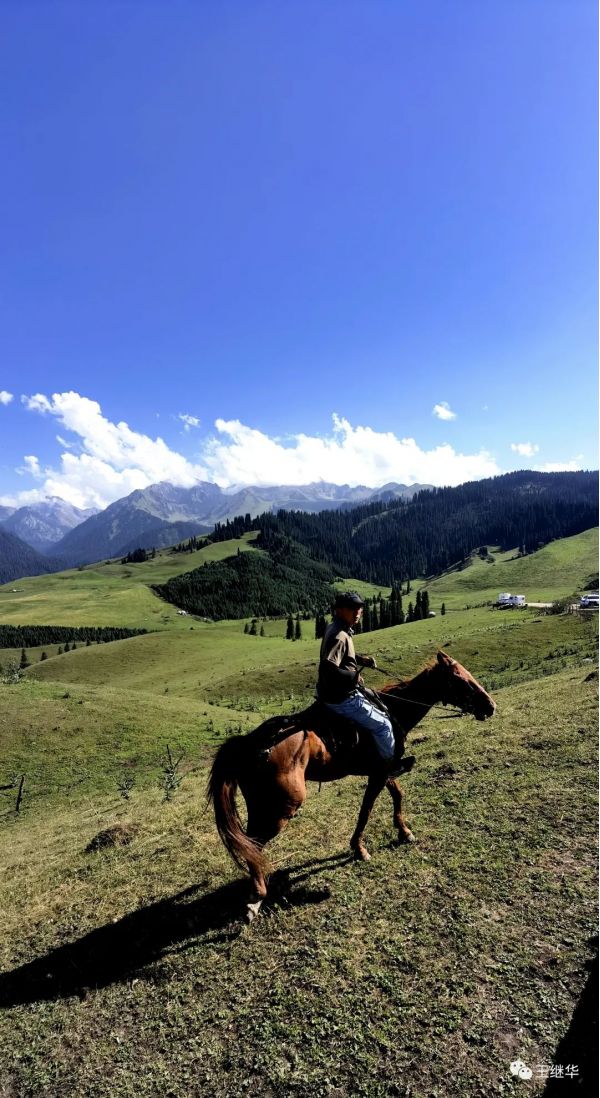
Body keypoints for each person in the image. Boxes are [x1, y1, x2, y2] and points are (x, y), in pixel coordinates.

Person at [316, 591, 404, 774]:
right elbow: (327, 668)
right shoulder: (340, 635)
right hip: (341, 698)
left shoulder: (335, 627)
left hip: (329, 693)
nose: (357, 612)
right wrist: (353, 676)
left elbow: (340, 655)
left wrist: (361, 659)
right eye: (352, 608)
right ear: (339, 610)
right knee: (383, 725)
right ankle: (389, 768)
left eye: (359, 608)